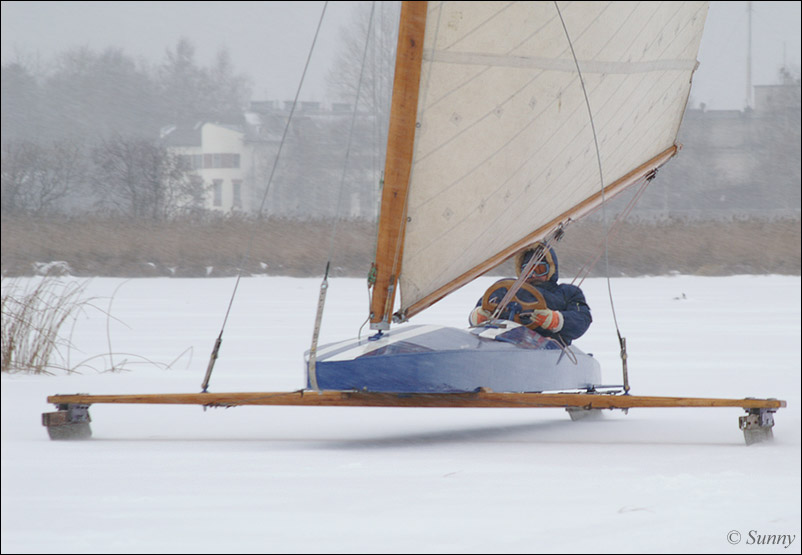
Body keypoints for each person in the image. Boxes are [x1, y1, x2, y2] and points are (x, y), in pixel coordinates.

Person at [469, 242, 591, 345]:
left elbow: (582, 319)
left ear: (551, 269)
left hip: (545, 348)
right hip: (502, 342)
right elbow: (483, 305)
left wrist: (555, 319)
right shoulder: (505, 289)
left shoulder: (568, 293)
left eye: (539, 270)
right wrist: (478, 316)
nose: (533, 275)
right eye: (528, 271)